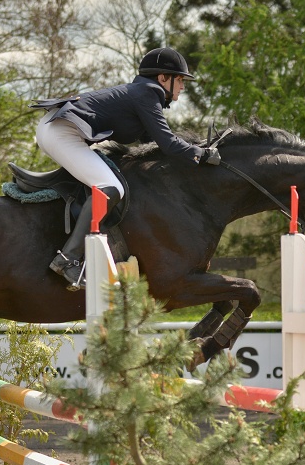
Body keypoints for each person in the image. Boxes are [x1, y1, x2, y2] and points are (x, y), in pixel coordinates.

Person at [33, 47, 221, 290]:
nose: (183, 86)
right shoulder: (147, 93)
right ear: (163, 78)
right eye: (181, 79)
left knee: (109, 183)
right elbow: (169, 143)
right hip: (60, 132)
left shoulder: (142, 93)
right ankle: (68, 259)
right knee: (110, 188)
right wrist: (202, 154)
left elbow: (153, 146)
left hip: (57, 128)